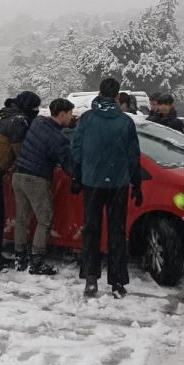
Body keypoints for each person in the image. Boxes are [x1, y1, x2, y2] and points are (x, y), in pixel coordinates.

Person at [71, 78, 142, 298]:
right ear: (117, 95)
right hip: (118, 183)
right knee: (117, 232)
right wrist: (137, 183)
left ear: (99, 93)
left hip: (92, 182)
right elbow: (133, 156)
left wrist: (77, 175)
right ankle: (118, 282)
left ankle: (91, 279)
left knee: (91, 230)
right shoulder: (125, 122)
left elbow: (76, 149)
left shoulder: (87, 119)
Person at [0, 91, 38, 273]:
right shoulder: (18, 120)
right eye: (34, 107)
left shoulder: (11, 116)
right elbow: (19, 150)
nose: (35, 110)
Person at [12, 98, 75, 275]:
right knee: (45, 219)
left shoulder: (38, 122)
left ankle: (20, 257)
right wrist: (79, 177)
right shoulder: (58, 139)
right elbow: (68, 164)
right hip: (36, 179)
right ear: (62, 114)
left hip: (18, 176)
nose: (71, 117)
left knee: (22, 218)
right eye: (70, 114)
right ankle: (37, 261)